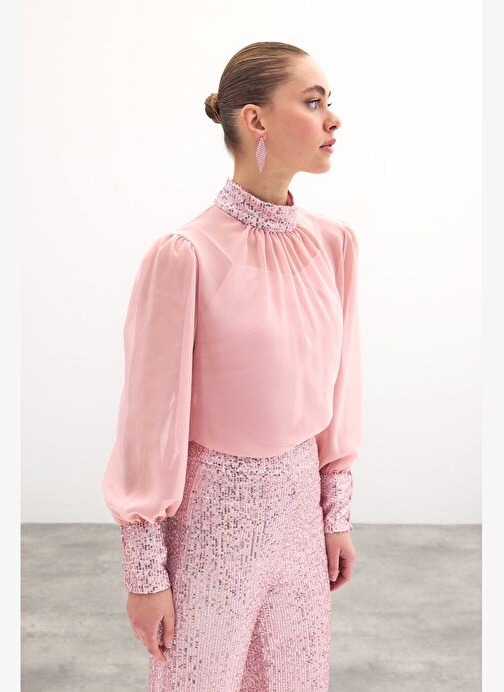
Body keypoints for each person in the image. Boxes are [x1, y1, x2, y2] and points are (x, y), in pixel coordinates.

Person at [102, 40, 362, 691]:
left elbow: (341, 389)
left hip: (298, 524)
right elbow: (148, 423)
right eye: (312, 102)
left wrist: (334, 515)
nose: (332, 118)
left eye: (328, 102)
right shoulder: (184, 255)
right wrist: (146, 575)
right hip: (210, 527)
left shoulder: (334, 245)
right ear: (255, 119)